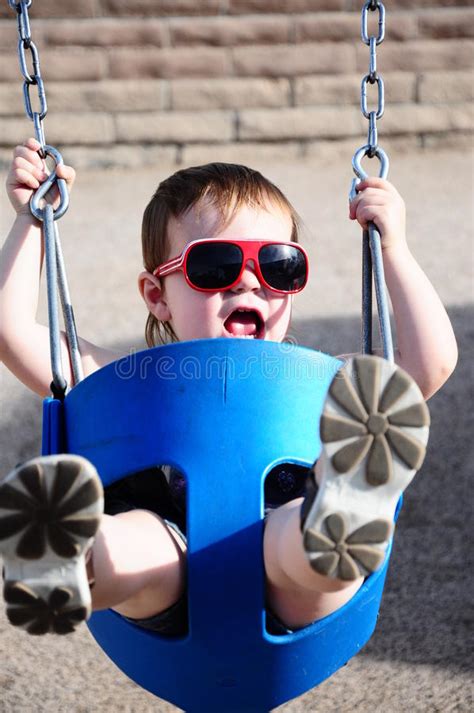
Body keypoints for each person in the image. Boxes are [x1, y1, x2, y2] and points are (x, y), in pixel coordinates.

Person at [0, 137, 457, 637]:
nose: (248, 281)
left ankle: (339, 507)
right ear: (158, 296)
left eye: (279, 265)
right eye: (214, 265)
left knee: (290, 541)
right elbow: (13, 333)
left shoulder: (316, 379)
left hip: (288, 587)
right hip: (176, 586)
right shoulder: (132, 380)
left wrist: (393, 247)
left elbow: (427, 363)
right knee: (143, 544)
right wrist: (30, 222)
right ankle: (68, 551)